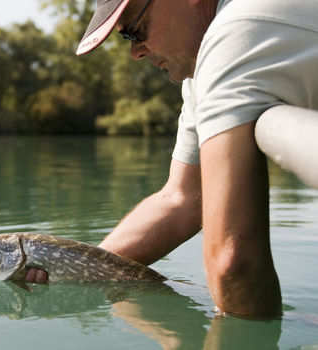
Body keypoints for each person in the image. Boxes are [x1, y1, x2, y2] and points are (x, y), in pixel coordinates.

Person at [26, 0, 318, 318]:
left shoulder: (232, 35)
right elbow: (181, 199)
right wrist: (74, 267)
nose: (136, 52)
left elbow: (233, 265)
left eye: (136, 31)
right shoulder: (201, 75)